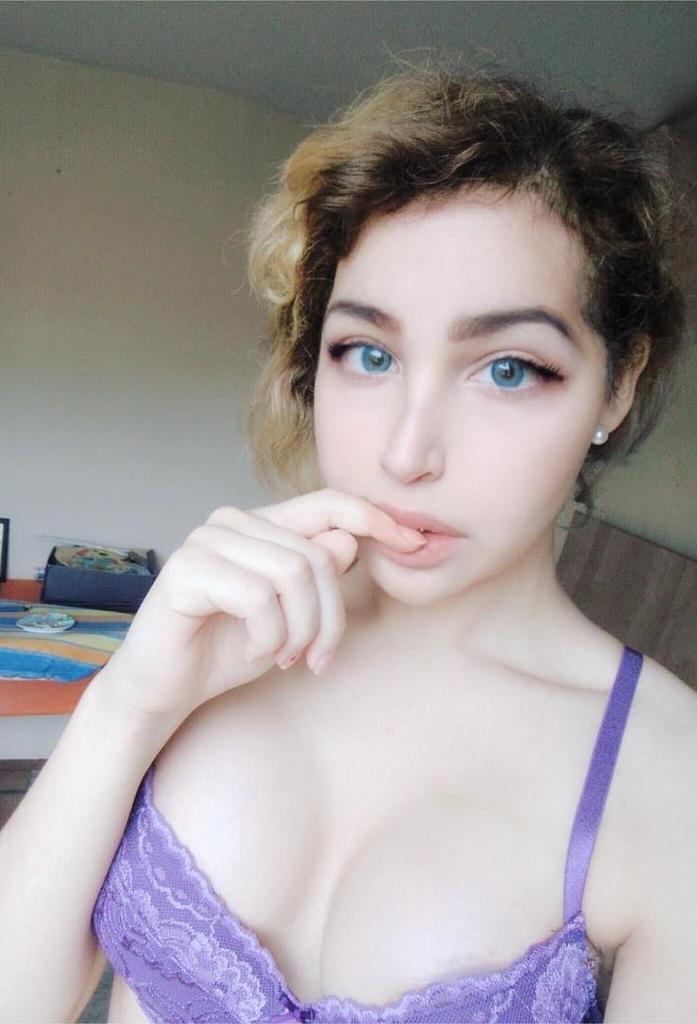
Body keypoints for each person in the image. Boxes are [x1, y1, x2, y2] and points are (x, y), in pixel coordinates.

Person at [1, 63, 695, 1024]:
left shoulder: (667, 772)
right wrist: (128, 704)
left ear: (615, 386)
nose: (407, 454)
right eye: (368, 354)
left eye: (506, 369)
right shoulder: (223, 643)